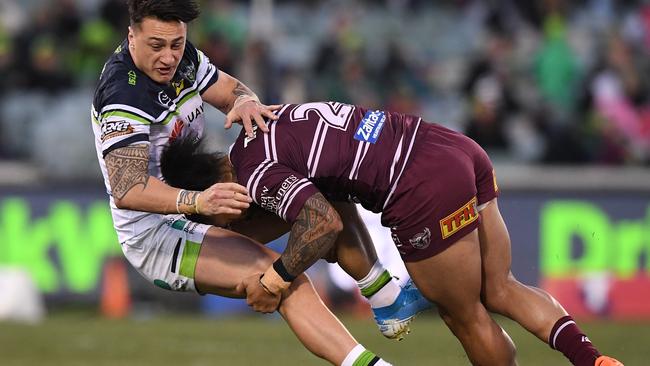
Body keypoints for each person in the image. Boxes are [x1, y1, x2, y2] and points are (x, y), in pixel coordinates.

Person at [161, 101, 624, 366]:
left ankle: (388, 295)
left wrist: (276, 279)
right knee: (500, 287)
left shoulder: (256, 172)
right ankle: (593, 359)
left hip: (419, 184)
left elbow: (323, 224)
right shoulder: (259, 127)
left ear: (214, 186)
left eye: (214, 213)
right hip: (450, 146)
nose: (224, 221)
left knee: (464, 316)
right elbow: (322, 199)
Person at [90, 1, 405, 365]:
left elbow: (232, 91)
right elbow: (128, 189)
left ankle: (385, 298)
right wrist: (197, 202)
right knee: (281, 278)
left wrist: (244, 102)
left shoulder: (184, 59)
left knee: (324, 193)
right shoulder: (122, 95)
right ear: (132, 36)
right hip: (158, 234)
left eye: (176, 44)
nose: (168, 57)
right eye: (156, 46)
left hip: (208, 201)